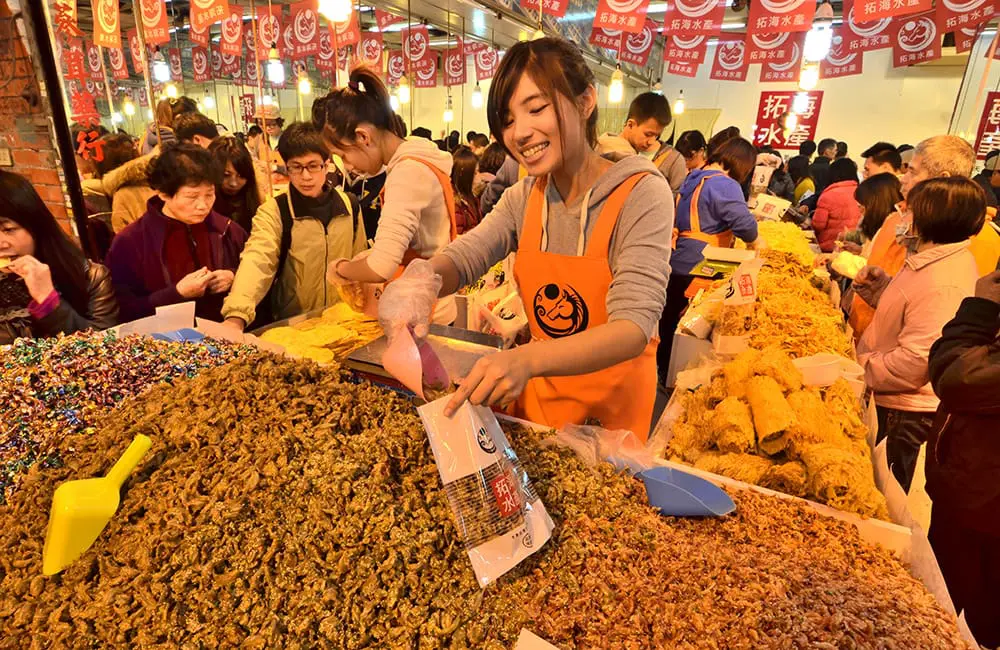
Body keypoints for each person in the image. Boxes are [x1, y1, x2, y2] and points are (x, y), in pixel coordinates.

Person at [382, 37, 672, 439]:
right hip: (540, 410)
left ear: (586, 101)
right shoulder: (525, 197)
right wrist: (423, 279)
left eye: (536, 108)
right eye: (508, 119)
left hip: (612, 421)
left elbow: (632, 326)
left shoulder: (641, 193)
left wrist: (527, 360)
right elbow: (470, 253)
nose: (519, 132)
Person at [855, 177, 983, 492]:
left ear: (931, 218)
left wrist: (859, 370)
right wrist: (881, 291)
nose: (904, 217)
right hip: (889, 397)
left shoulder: (946, 280)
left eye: (911, 211)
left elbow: (917, 361)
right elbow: (913, 317)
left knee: (881, 496)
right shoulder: (929, 259)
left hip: (904, 412)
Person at [317, 69, 458, 325]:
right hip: (431, 303)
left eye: (344, 155)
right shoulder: (419, 158)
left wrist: (340, 269)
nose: (347, 166)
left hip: (425, 314)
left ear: (363, 137)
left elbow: (382, 267)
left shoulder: (408, 172)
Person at [848, 135, 1000, 337]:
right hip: (864, 341)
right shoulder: (900, 217)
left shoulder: (972, 239)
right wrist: (883, 291)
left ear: (942, 178)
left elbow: (936, 324)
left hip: (890, 359)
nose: (903, 178)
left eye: (912, 171)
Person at [221, 123, 366, 330]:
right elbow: (257, 258)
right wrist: (236, 315)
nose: (305, 176)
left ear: (327, 165)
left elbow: (359, 260)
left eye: (313, 165)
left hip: (344, 321)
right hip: (295, 326)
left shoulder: (349, 206)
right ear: (287, 167)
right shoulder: (275, 211)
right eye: (296, 167)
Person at [925, 270, 1000, 649]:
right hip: (966, 494)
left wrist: (979, 309)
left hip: (982, 512)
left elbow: (956, 378)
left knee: (954, 622)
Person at [105, 143, 248, 322]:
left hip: (229, 335)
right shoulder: (130, 242)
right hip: (164, 343)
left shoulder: (228, 230)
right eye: (192, 197)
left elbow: (257, 279)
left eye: (209, 194)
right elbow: (122, 311)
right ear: (163, 194)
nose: (203, 205)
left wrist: (233, 276)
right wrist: (176, 293)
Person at [659, 137, 763, 380]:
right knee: (690, 329)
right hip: (703, 264)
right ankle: (680, 379)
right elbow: (744, 224)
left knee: (669, 323)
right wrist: (756, 240)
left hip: (677, 260)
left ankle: (663, 372)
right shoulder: (725, 185)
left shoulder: (694, 178)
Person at [0, 171, 117, 343]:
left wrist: (48, 300)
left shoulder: (91, 277)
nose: (2, 244)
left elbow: (107, 350)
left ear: (35, 226)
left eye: (8, 229)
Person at [597, 91, 686, 193]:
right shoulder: (622, 156)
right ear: (630, 125)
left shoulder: (602, 143)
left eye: (656, 136)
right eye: (648, 134)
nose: (651, 142)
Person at [209, 136, 270, 234]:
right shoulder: (204, 209)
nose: (234, 183)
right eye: (226, 175)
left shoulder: (257, 203)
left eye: (241, 175)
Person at [842, 172, 903, 256]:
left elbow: (880, 262)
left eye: (863, 203)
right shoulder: (878, 223)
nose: (860, 207)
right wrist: (861, 250)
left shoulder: (894, 229)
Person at [812, 158, 861, 252]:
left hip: (829, 247)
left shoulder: (828, 195)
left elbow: (818, 225)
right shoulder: (862, 192)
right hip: (856, 247)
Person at [452, 146, 482, 235]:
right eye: (475, 173)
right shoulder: (455, 202)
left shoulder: (470, 196)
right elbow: (457, 236)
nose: (479, 176)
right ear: (465, 174)